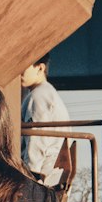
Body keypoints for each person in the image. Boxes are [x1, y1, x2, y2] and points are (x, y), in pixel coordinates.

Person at [20, 56, 71, 187]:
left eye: (23, 68)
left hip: (41, 174)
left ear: (40, 68)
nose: (19, 73)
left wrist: (31, 175)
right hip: (51, 172)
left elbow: (37, 139)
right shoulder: (48, 93)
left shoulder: (38, 96)